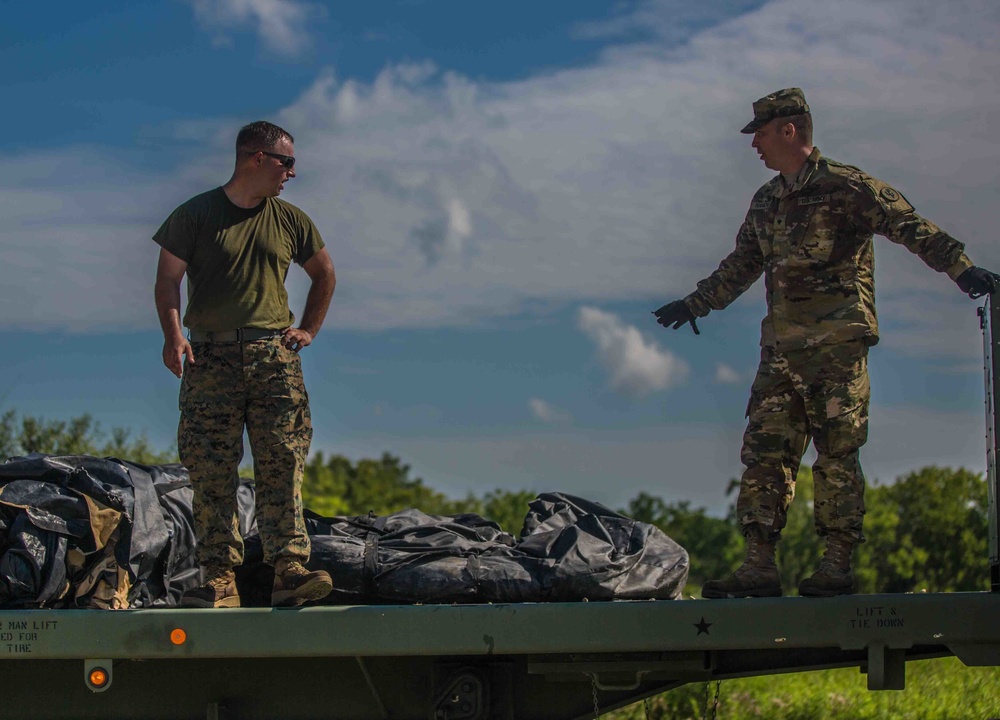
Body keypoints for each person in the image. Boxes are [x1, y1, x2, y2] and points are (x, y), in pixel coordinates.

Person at [653, 88, 1000, 599]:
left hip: (835, 346)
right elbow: (742, 264)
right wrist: (694, 304)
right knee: (764, 453)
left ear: (790, 131)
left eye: (762, 134)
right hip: (781, 350)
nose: (755, 146)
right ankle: (759, 567)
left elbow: (908, 225)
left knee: (836, 453)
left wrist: (961, 268)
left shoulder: (847, 186)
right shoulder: (767, 201)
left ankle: (836, 565)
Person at [154, 120, 337, 608]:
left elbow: (324, 274)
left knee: (282, 461)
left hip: (273, 357)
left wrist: (308, 330)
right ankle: (220, 579)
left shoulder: (291, 220)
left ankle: (289, 572)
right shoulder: (195, 215)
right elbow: (168, 280)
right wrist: (173, 336)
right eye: (287, 163)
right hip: (208, 356)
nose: (292, 173)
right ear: (256, 158)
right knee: (211, 470)